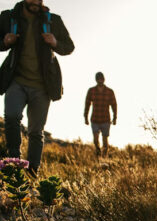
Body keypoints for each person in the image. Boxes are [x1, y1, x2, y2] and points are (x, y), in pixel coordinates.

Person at [0, 0, 74, 176]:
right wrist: (5, 42)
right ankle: (14, 163)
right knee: (11, 117)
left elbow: (69, 47)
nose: (35, 2)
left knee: (35, 131)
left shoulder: (53, 20)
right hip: (16, 80)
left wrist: (55, 43)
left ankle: (32, 171)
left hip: (42, 85)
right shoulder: (8, 17)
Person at [84, 72, 117, 157]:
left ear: (104, 79)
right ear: (96, 80)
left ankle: (104, 157)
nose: (100, 80)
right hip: (95, 119)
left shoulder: (109, 91)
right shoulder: (91, 91)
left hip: (105, 119)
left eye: (101, 79)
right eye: (98, 79)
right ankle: (98, 152)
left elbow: (114, 105)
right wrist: (85, 117)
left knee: (105, 140)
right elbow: (87, 104)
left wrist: (115, 117)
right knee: (95, 139)